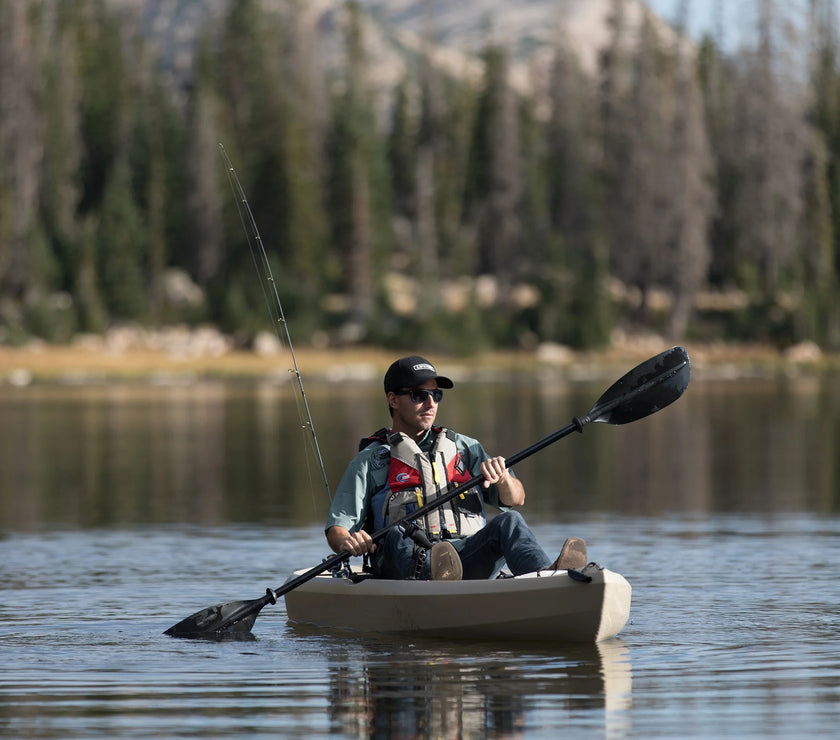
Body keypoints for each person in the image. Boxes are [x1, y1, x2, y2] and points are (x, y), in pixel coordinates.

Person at [325, 355, 587, 580]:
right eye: (419, 395)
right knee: (396, 534)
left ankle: (545, 576)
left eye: (436, 395)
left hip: (465, 558)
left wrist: (503, 478)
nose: (431, 403)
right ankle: (438, 577)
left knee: (510, 521)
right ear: (393, 400)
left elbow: (515, 499)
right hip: (406, 567)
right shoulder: (371, 460)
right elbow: (337, 530)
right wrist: (349, 541)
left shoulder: (465, 448)